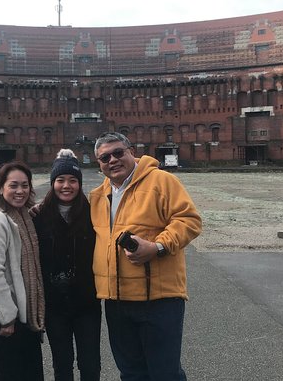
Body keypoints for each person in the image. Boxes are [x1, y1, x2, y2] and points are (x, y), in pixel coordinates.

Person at [89, 132, 202, 381]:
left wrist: (157, 247)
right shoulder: (99, 195)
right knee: (131, 373)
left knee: (164, 373)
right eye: (105, 157)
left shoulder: (161, 181)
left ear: (131, 151)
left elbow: (189, 220)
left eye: (118, 153)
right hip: (117, 300)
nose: (113, 160)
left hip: (158, 299)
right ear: (99, 162)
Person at [33, 149, 101, 381]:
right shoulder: (38, 216)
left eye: (73, 180)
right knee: (62, 364)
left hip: (87, 303)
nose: (66, 185)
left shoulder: (93, 213)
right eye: (60, 180)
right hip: (55, 306)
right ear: (52, 183)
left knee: (91, 364)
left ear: (79, 183)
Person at [0, 161, 45, 381]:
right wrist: (7, 318)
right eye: (13, 185)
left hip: (25, 319)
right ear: (0, 188)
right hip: (6, 320)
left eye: (25, 185)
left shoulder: (24, 216)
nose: (20, 191)